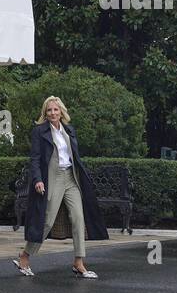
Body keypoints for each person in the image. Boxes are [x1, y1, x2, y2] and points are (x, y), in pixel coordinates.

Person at [15, 97, 109, 279]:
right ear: (45, 113)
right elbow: (34, 159)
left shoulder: (69, 130)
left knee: (78, 218)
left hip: (71, 177)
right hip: (53, 178)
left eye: (55, 110)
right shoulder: (39, 131)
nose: (52, 113)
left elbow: (75, 155)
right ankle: (25, 256)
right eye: (49, 110)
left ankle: (79, 262)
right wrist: (37, 180)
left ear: (61, 111)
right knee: (47, 220)